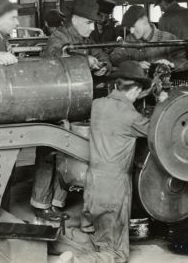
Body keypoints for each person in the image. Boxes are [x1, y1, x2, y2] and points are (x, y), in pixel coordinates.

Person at [57, 61, 153, 263]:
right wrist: (162, 101)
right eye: (138, 92)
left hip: (93, 184)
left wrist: (145, 91)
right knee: (118, 253)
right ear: (135, 89)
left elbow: (120, 106)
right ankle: (77, 262)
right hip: (115, 187)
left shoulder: (98, 105)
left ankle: (61, 244)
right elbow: (160, 129)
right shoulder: (131, 117)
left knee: (98, 233)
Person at [32, 0, 111, 222]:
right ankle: (40, 203)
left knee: (71, 152)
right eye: (89, 23)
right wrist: (84, 60)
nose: (93, 28)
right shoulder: (59, 37)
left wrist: (101, 67)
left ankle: (57, 203)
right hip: (55, 104)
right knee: (49, 153)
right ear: (75, 19)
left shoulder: (87, 38)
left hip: (78, 103)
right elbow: (54, 58)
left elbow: (105, 57)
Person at [109, 5, 188, 71]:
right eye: (129, 28)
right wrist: (135, 64)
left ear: (144, 21)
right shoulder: (129, 39)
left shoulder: (167, 38)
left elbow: (187, 63)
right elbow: (115, 57)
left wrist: (170, 65)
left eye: (133, 26)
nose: (131, 31)